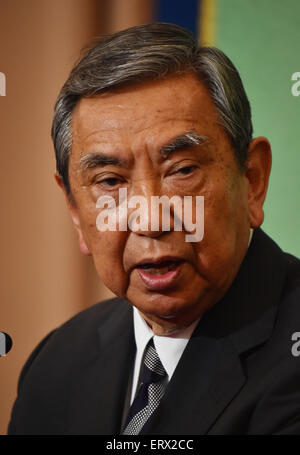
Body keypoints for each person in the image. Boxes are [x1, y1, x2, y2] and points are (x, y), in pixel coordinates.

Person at [8, 22, 300, 435]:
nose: (150, 219)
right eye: (110, 181)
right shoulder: (57, 362)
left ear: (252, 180)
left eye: (181, 170)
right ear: (74, 208)